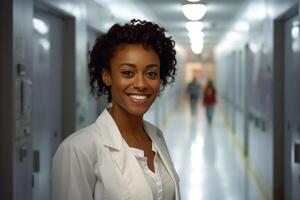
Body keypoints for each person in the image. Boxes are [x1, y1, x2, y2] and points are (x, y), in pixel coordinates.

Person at [52, 19, 180, 200]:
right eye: (128, 73)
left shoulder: (156, 136)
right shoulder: (78, 150)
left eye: (151, 74)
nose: (141, 84)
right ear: (107, 76)